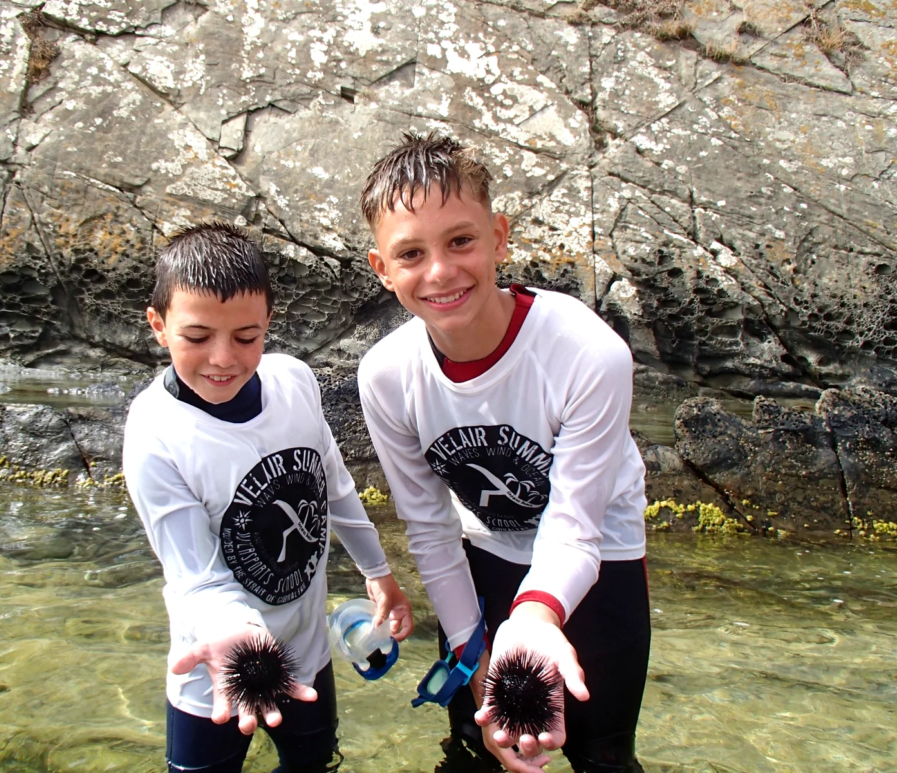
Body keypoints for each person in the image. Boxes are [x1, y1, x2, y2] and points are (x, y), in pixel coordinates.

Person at [356, 133, 650, 773]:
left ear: (499, 236)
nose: (440, 271)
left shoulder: (587, 354)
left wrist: (533, 618)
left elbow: (575, 528)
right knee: (476, 746)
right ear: (382, 268)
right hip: (481, 555)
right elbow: (430, 528)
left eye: (461, 240)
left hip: (602, 558)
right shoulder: (385, 375)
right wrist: (471, 648)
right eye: (411, 253)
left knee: (600, 751)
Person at [123, 222, 414, 773]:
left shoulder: (293, 381)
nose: (223, 358)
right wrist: (242, 634)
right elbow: (196, 576)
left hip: (306, 650)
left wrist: (378, 570)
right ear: (159, 326)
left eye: (246, 337)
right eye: (197, 336)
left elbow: (332, 484)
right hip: (218, 658)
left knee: (314, 764)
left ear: (268, 326)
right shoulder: (154, 432)